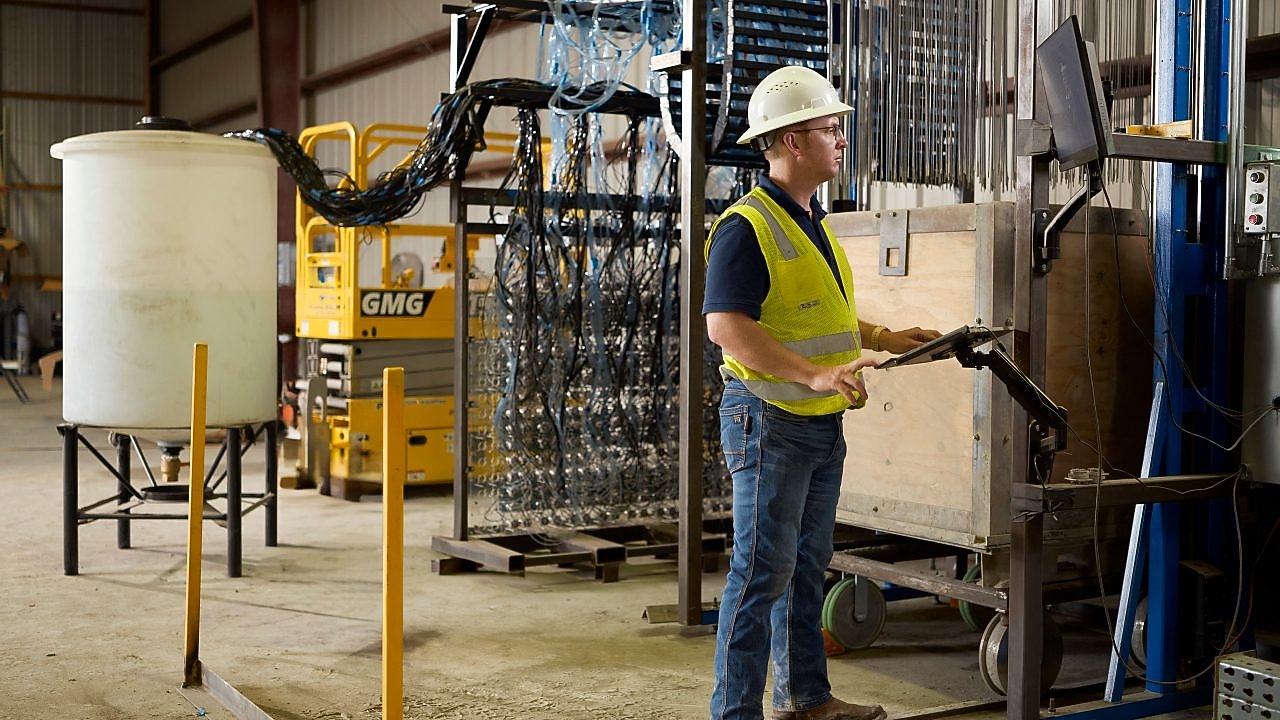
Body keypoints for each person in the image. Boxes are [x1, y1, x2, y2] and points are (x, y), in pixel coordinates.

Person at [703, 65, 942, 720]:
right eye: (830, 129)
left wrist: (885, 335)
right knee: (759, 579)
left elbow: (816, 316)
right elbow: (726, 325)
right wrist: (810, 375)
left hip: (816, 423)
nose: (841, 140)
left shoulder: (812, 218)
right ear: (789, 141)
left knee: (804, 571)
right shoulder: (745, 226)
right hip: (768, 420)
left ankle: (806, 699)